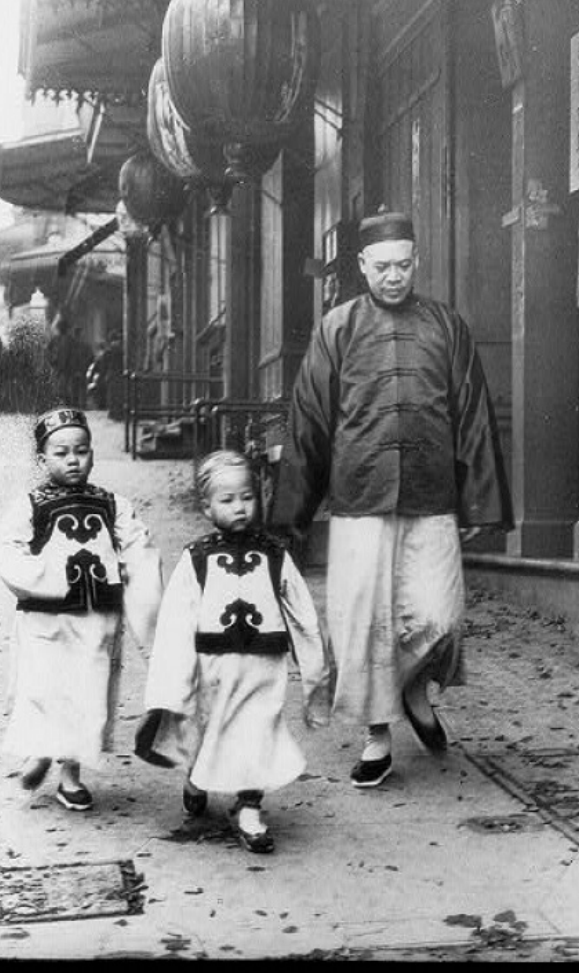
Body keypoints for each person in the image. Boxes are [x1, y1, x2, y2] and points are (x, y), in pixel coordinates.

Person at [271, 208, 513, 790]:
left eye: (404, 265)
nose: (394, 277)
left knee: (439, 615)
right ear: (361, 266)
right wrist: (290, 518)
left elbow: (474, 417)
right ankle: (377, 736)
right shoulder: (338, 328)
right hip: (360, 500)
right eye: (382, 267)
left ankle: (411, 688)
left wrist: (481, 504)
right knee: (363, 624)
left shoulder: (446, 326)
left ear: (417, 262)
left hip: (432, 498)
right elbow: (308, 423)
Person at [134, 449, 331, 854]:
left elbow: (303, 615)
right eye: (227, 500)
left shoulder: (275, 555)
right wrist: (172, 680)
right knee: (207, 729)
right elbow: (176, 622)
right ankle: (198, 776)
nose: (239, 507)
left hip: (264, 665)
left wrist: (315, 671)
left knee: (258, 731)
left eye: (246, 497)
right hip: (213, 665)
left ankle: (248, 805)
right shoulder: (198, 559)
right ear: (206, 507)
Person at [0, 407, 163, 811]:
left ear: (92, 453)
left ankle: (70, 776)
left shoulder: (110, 504)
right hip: (46, 618)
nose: (73, 460)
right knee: (44, 686)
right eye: (62, 452)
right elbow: (4, 548)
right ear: (42, 459)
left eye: (82, 451)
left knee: (87, 692)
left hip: (95, 617)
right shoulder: (32, 505)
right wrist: (43, 578)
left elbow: (138, 546)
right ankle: (40, 750)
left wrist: (140, 592)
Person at [47, 317, 74, 404]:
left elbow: (48, 351)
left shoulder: (67, 340)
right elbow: (48, 351)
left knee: (63, 387)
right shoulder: (57, 339)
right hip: (59, 367)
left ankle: (63, 402)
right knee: (61, 387)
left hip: (65, 368)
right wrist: (52, 360)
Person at [70, 326, 94, 408]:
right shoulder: (85, 346)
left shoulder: (73, 346)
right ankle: (82, 405)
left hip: (76, 370)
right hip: (80, 370)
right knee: (80, 389)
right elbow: (91, 357)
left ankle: (77, 405)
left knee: (77, 389)